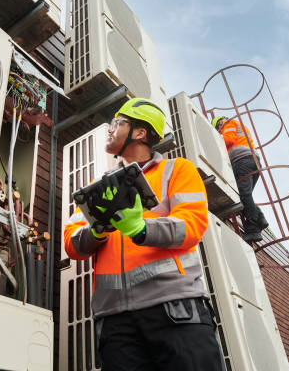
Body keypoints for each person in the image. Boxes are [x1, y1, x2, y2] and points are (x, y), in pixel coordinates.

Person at [65, 98, 226, 371]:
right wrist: (99, 229)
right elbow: (73, 245)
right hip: (115, 320)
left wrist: (141, 230)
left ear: (139, 132)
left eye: (117, 123)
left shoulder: (177, 170)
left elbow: (192, 226)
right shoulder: (97, 187)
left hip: (175, 308)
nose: (109, 129)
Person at [212, 116, 268, 242]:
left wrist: (213, 140)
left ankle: (253, 229)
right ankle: (260, 217)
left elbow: (229, 140)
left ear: (220, 123)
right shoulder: (237, 125)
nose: (219, 132)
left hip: (242, 160)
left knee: (243, 194)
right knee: (245, 194)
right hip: (252, 160)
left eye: (218, 129)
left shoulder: (228, 123)